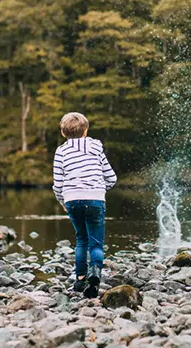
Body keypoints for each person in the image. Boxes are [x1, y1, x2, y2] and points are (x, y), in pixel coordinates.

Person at [52, 112, 117, 298]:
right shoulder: (96, 147)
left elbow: (58, 183)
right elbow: (111, 177)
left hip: (72, 198)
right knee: (96, 243)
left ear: (63, 133)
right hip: (95, 198)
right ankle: (95, 272)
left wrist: (62, 200)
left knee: (81, 239)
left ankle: (80, 279)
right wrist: (99, 190)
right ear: (86, 130)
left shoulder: (61, 151)